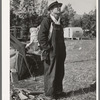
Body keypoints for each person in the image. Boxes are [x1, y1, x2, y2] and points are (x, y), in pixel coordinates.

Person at [38, 1, 66, 99]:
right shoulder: (47, 21)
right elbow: (41, 37)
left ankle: (58, 91)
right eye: (56, 7)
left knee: (60, 71)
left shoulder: (60, 21)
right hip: (51, 52)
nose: (58, 8)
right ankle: (50, 94)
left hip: (60, 51)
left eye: (59, 6)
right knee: (51, 72)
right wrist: (48, 49)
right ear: (50, 10)